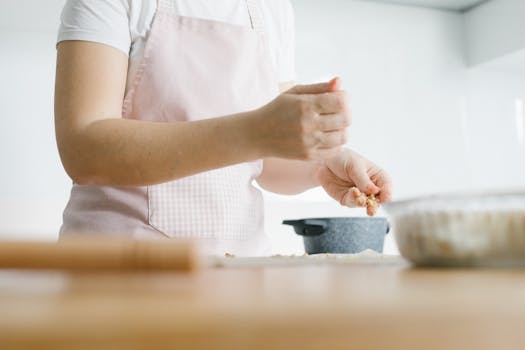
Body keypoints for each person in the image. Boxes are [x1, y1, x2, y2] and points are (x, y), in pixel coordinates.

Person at [54, 0, 392, 256]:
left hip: (238, 274)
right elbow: (85, 148)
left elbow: (266, 156)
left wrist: (321, 164)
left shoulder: (271, 9)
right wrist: (255, 132)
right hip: (119, 275)